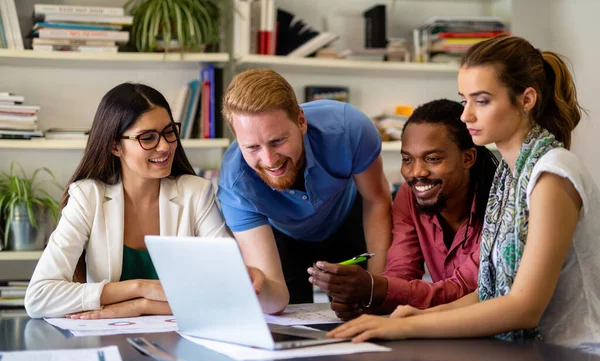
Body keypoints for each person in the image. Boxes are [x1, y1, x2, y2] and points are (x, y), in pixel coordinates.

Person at [328, 35, 600, 352]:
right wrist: (411, 317)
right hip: (530, 353)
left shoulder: (552, 172)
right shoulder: (509, 176)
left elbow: (525, 306)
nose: (466, 115)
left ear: (526, 100)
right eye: (464, 101)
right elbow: (489, 290)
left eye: (481, 101)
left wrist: (409, 327)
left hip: (576, 353)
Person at [24, 83, 281, 319]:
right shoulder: (87, 197)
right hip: (109, 341)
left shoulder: (196, 193)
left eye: (169, 132)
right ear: (115, 146)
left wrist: (141, 305)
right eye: (147, 137)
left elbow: (230, 291)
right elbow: (39, 297)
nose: (165, 146)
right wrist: (141, 288)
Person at [309, 99, 499, 320]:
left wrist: (376, 289)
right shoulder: (408, 197)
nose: (416, 172)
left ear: (468, 158)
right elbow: (402, 270)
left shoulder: (500, 205)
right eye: (407, 159)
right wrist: (366, 300)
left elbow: (464, 290)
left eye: (433, 159)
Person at [217, 68, 392, 304]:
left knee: (360, 306)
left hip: (346, 219)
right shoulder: (234, 184)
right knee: (285, 314)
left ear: (301, 121)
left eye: (277, 141)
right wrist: (258, 288)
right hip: (281, 236)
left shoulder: (349, 128)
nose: (269, 160)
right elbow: (273, 298)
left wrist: (377, 289)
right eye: (252, 147)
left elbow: (377, 200)